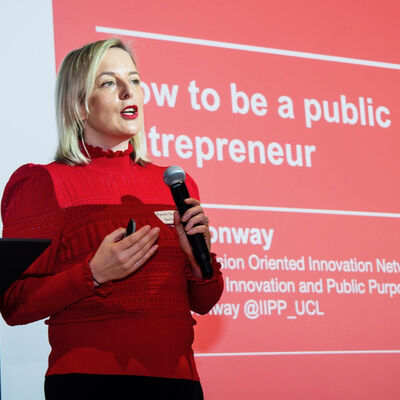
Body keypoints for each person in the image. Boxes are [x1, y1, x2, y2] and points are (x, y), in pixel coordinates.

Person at [0, 38, 223, 399]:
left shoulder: (174, 182)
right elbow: (14, 304)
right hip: (91, 383)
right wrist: (93, 274)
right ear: (79, 104)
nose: (127, 91)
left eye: (133, 80)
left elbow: (205, 300)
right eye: (108, 82)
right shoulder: (42, 182)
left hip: (178, 382)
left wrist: (199, 260)